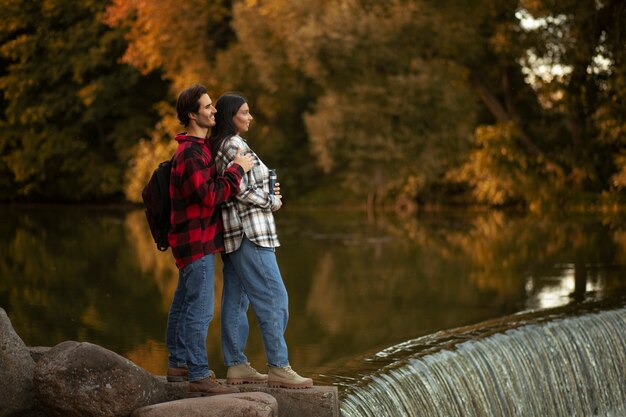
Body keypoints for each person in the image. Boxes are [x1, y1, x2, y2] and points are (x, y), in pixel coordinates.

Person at [209, 92, 313, 389]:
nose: (250, 116)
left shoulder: (228, 144)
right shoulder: (232, 144)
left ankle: (236, 365)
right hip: (249, 234)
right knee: (274, 299)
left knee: (236, 300)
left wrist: (269, 184)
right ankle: (279, 366)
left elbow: (243, 182)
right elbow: (239, 189)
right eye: (245, 112)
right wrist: (272, 201)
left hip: (237, 234)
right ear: (231, 116)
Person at [165, 84, 255, 397]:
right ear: (192, 114)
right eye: (207, 107)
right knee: (200, 310)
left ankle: (178, 364)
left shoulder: (200, 148)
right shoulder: (190, 153)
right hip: (196, 241)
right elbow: (210, 197)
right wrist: (236, 170)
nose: (214, 110)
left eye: (212, 106)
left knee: (183, 304)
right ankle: (199, 374)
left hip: (196, 239)